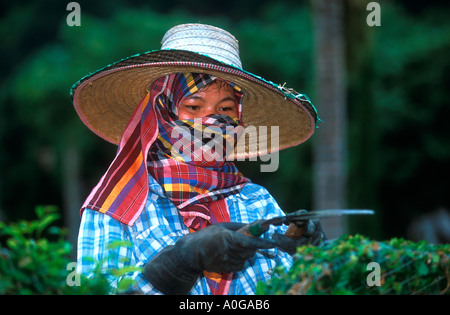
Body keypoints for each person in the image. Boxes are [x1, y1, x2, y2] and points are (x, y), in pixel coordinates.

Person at [72, 23, 324, 295]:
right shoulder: (117, 206)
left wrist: (308, 256)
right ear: (164, 110)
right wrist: (178, 264)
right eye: (193, 107)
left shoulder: (256, 200)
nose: (212, 121)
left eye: (225, 109)